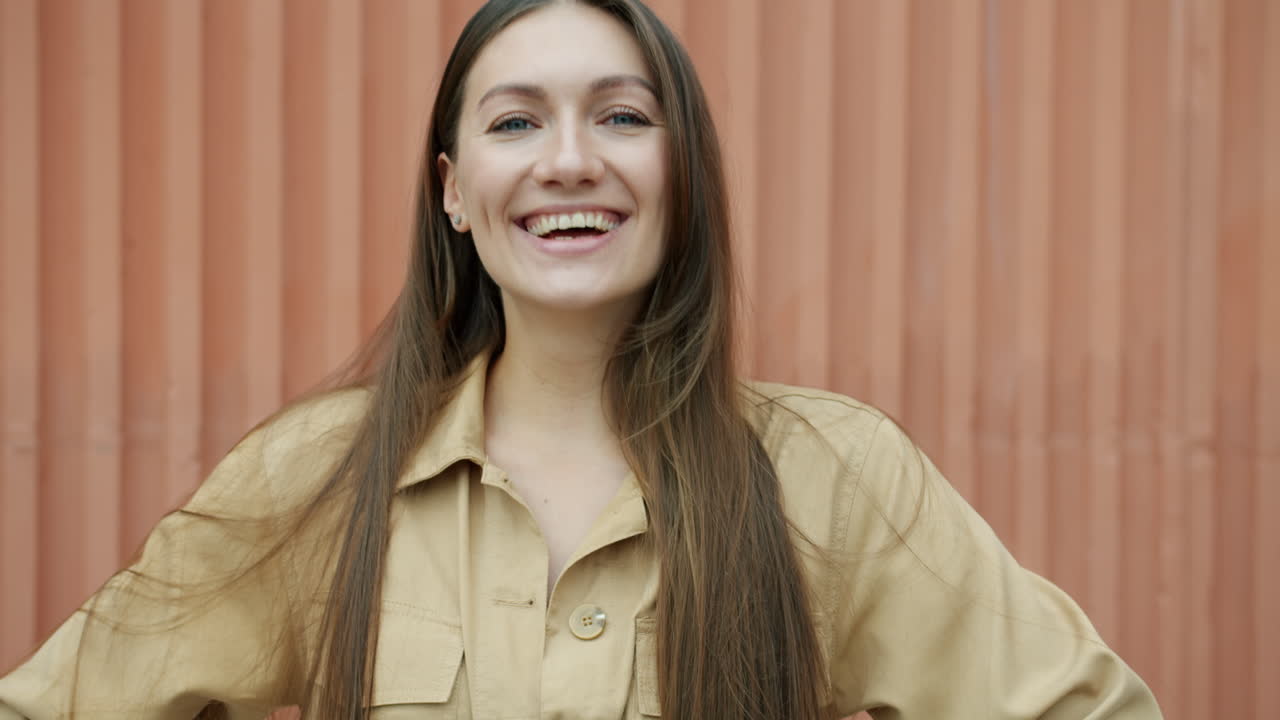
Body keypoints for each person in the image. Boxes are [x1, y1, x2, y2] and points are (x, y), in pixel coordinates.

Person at [0, 0, 1163, 718]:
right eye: (513, 122)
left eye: (620, 116)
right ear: (454, 194)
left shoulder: (831, 477)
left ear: (681, 174)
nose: (568, 160)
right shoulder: (317, 479)